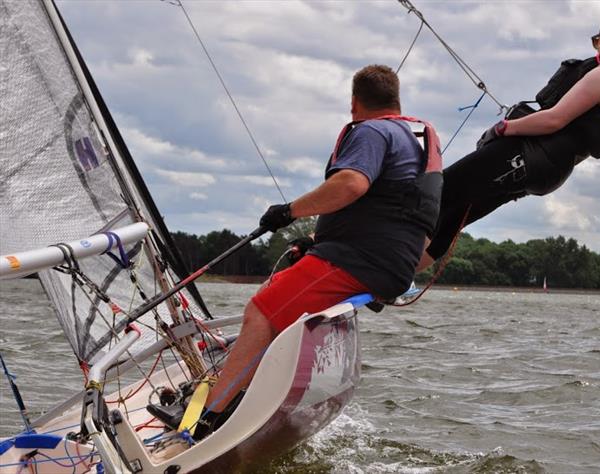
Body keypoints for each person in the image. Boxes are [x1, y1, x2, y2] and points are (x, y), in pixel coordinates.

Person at [149, 64, 442, 439]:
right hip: (388, 262)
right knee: (280, 308)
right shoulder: (412, 136)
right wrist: (317, 242)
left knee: (262, 313)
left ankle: (205, 416)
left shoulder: (371, 131)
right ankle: (242, 395)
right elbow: (385, 207)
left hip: (360, 260)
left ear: (354, 104)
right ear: (396, 100)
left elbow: (351, 184)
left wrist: (289, 212)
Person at [418, 7, 600, 269]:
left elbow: (554, 119)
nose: (595, 48)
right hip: (546, 171)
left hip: (527, 155)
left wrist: (503, 128)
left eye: (597, 41)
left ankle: (380, 269)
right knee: (455, 216)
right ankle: (391, 284)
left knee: (439, 191)